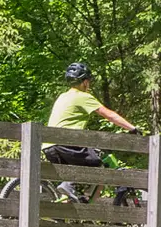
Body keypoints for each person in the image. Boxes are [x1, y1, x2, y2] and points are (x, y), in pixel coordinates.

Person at [45, 62, 141, 200]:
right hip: (66, 143)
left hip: (49, 146)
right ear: (85, 82)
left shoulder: (62, 96)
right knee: (97, 165)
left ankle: (72, 203)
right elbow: (109, 114)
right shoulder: (82, 96)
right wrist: (133, 128)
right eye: (89, 81)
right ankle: (70, 185)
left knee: (78, 182)